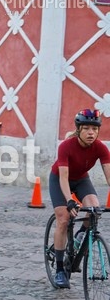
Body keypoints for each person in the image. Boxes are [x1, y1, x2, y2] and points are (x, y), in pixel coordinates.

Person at [48, 109, 110, 289]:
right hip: (60, 179)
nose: (91, 133)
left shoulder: (101, 148)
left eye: (94, 129)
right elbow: (63, 177)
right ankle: (60, 270)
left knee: (95, 209)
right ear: (79, 129)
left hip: (82, 179)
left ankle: (80, 235)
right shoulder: (66, 146)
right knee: (63, 218)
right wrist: (69, 200)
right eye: (86, 128)